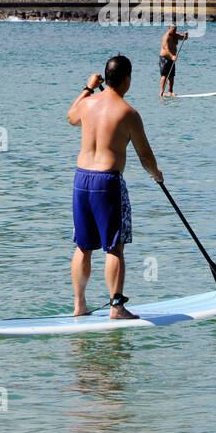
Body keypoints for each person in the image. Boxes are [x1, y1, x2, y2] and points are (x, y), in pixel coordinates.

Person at [67, 55, 163, 319]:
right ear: (126, 79)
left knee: (83, 246)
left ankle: (79, 305)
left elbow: (70, 117)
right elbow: (145, 156)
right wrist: (156, 175)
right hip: (107, 182)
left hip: (81, 179)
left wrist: (87, 88)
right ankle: (116, 307)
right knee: (114, 247)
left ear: (105, 78)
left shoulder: (87, 104)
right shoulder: (128, 113)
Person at [159, 24, 189, 97]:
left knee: (172, 75)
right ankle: (162, 92)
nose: (174, 31)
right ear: (169, 29)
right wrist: (172, 56)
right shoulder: (166, 37)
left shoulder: (175, 35)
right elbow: (166, 48)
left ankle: (170, 91)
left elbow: (184, 38)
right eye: (173, 29)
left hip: (172, 58)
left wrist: (186, 35)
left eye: (175, 29)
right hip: (165, 58)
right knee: (164, 75)